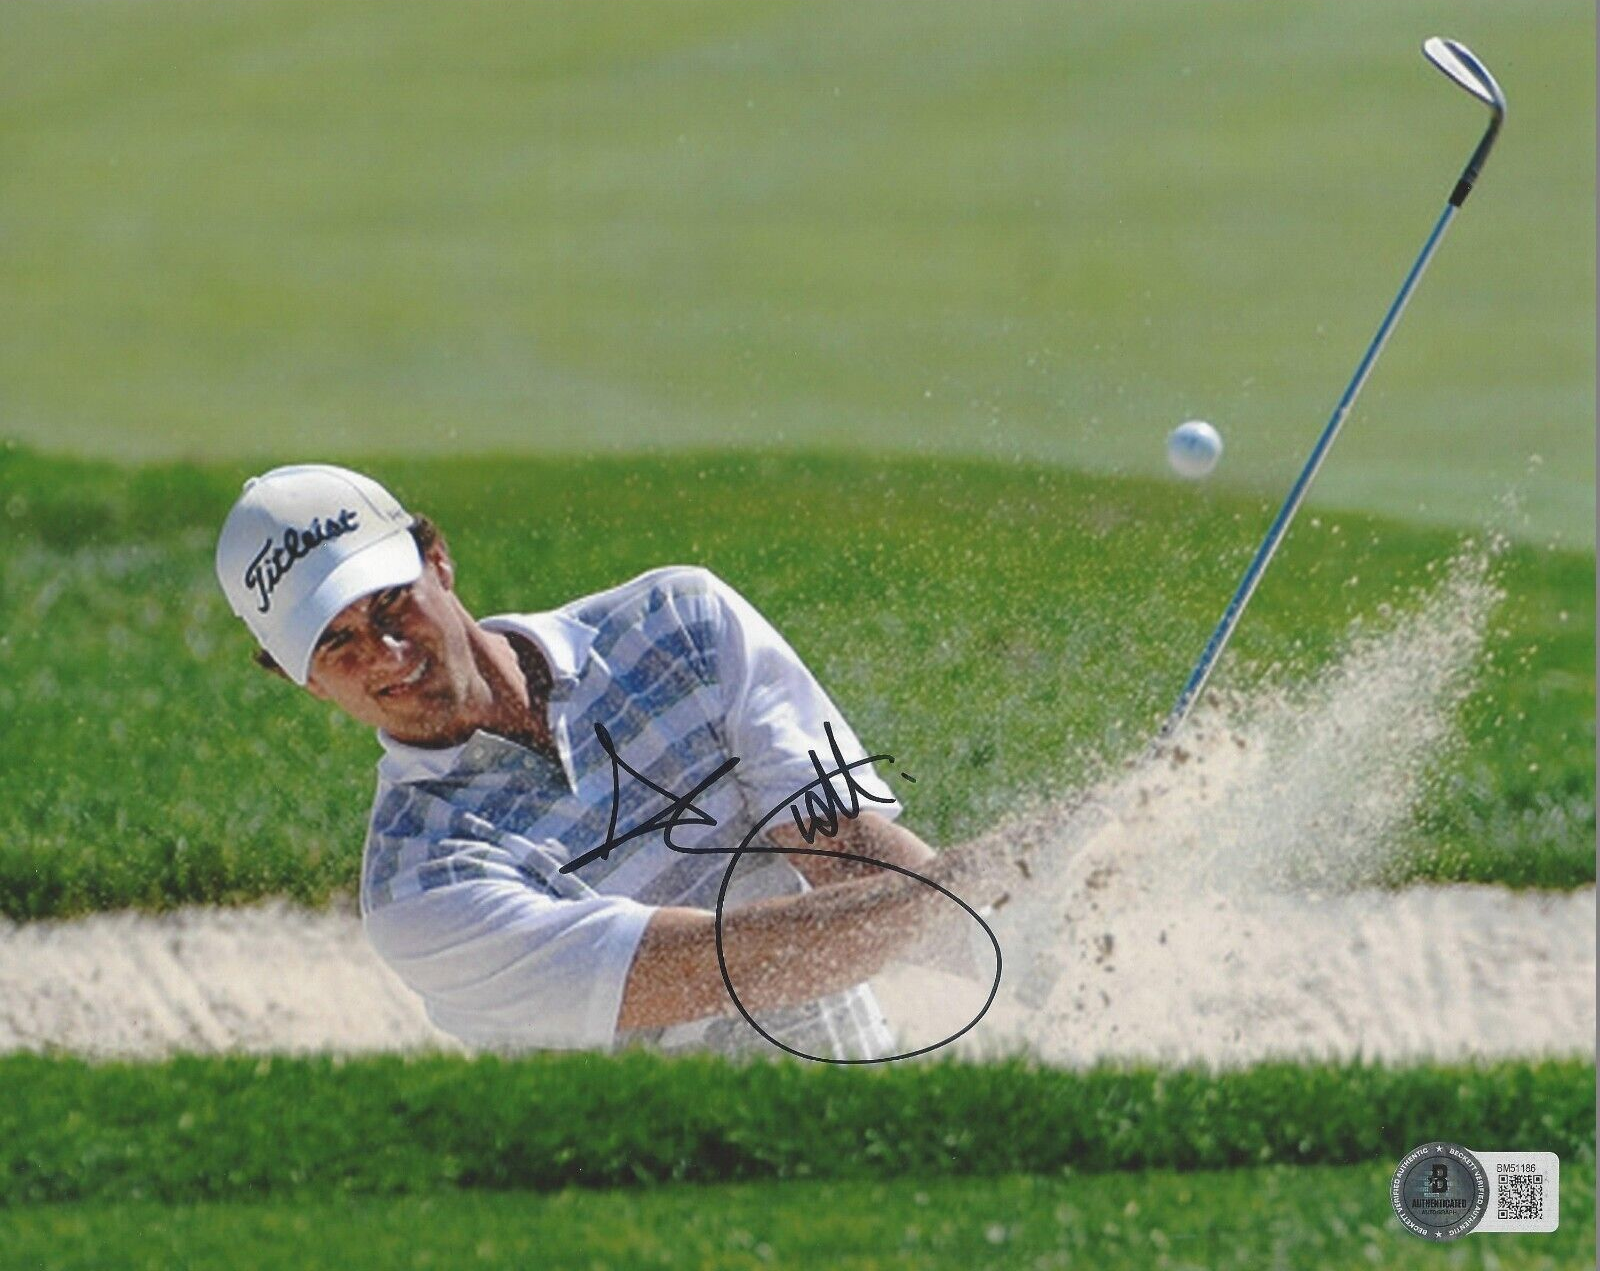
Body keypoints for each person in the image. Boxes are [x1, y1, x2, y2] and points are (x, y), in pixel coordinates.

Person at [215, 463, 995, 1061]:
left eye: (389, 603)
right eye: (336, 642)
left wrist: (1026, 931)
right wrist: (995, 874)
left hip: (868, 1086)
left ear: (438, 557)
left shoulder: (681, 623)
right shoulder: (421, 887)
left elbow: (851, 852)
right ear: (300, 678)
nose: (386, 652)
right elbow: (725, 966)